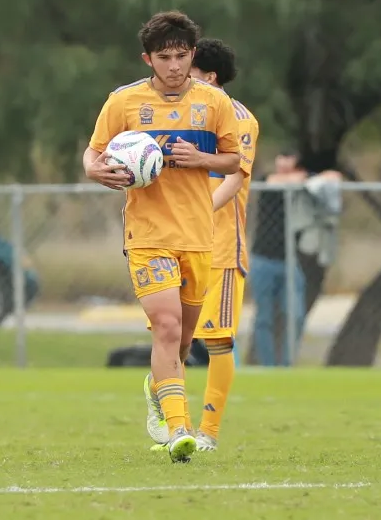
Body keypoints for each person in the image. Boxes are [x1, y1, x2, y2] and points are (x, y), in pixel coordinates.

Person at [84, 11, 240, 463]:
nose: (173, 65)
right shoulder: (125, 102)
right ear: (147, 58)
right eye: (164, 57)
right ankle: (178, 431)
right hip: (148, 234)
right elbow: (94, 152)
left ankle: (158, 390)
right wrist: (94, 169)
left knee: (183, 340)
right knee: (167, 327)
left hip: (197, 233)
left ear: (192, 55)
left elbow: (234, 162)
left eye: (181, 56)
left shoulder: (214, 103)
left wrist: (200, 157)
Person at [144, 39, 260, 453]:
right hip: (173, 240)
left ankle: (208, 433)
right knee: (173, 337)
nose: (176, 75)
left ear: (209, 76)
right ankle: (179, 428)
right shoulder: (172, 110)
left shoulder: (239, 118)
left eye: (188, 68)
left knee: (217, 340)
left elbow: (235, 175)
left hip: (222, 246)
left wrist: (198, 208)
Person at [249, 152, 341, 366]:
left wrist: (308, 178)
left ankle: (287, 364)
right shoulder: (267, 181)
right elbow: (277, 181)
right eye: (280, 159)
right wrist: (305, 179)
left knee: (295, 315)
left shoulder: (305, 187)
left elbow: (334, 177)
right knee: (264, 318)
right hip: (262, 259)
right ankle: (268, 366)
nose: (282, 164)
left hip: (289, 263)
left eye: (289, 160)